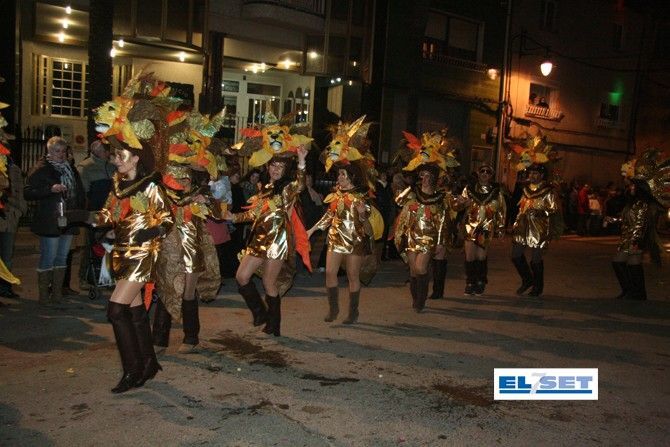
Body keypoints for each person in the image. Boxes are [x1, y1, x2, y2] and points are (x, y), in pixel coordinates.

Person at [91, 74, 176, 393]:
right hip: (122, 253)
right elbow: (108, 215)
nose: (116, 160)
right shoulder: (118, 185)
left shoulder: (151, 186)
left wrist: (147, 233)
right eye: (114, 155)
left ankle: (133, 370)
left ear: (137, 157)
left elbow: (167, 220)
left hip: (142, 254)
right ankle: (149, 362)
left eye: (121, 155)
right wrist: (85, 218)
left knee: (116, 310)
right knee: (136, 310)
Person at [228, 115, 312, 336]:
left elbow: (301, 185)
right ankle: (261, 313)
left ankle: (273, 326)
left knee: (268, 283)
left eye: (280, 166)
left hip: (277, 240)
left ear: (286, 169)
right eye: (273, 165)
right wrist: (232, 217)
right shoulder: (263, 188)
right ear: (268, 166)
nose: (276, 169)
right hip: (258, 238)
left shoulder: (288, 188)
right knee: (241, 277)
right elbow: (254, 213)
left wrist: (301, 162)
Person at [307, 116, 377, 324]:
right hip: (335, 238)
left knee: (353, 276)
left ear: (351, 177)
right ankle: (334, 309)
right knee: (330, 273)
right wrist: (312, 230)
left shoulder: (361, 195)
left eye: (343, 175)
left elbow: (366, 217)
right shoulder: (336, 195)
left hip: (355, 240)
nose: (339, 177)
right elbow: (329, 216)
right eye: (339, 175)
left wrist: (362, 213)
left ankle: (353, 311)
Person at [394, 129, 460, 312]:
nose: (424, 179)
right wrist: (408, 189)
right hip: (412, 237)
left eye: (428, 176)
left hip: (429, 239)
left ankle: (421, 300)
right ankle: (416, 298)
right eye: (422, 175)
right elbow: (398, 201)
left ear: (434, 178)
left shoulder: (440, 198)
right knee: (413, 270)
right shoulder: (413, 193)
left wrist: (440, 242)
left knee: (421, 268)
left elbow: (443, 222)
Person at [24, 136, 85, 305]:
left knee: (62, 257)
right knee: (49, 256)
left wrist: (80, 211)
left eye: (63, 151)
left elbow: (79, 191)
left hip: (68, 218)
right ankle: (44, 296)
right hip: (50, 219)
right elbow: (28, 193)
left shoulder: (70, 168)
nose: (61, 154)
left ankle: (57, 294)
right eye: (57, 151)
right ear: (49, 151)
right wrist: (50, 189)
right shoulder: (41, 168)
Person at [612, 150, 669, 300]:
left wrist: (636, 241)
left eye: (633, 186)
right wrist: (612, 220)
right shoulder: (631, 203)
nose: (630, 188)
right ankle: (629, 290)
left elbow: (641, 224)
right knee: (619, 262)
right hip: (627, 239)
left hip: (636, 240)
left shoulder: (643, 204)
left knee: (630, 263)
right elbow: (626, 220)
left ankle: (638, 293)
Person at [511, 163, 559, 297]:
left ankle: (538, 286)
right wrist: (516, 223)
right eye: (530, 173)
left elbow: (553, 209)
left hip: (539, 227)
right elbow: (521, 207)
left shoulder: (548, 190)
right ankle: (527, 280)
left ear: (542, 175)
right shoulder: (525, 189)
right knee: (515, 255)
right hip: (523, 225)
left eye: (535, 173)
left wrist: (540, 212)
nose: (532, 176)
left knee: (536, 258)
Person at [460, 164, 507, 295]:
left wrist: (501, 227)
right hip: (470, 226)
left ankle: (480, 281)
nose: (485, 174)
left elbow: (502, 210)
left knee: (481, 256)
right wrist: (461, 203)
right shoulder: (469, 189)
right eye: (482, 171)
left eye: (488, 172)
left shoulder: (496, 191)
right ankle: (470, 282)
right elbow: (458, 205)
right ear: (478, 173)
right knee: (470, 255)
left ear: (491, 175)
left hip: (486, 226)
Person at [76, 140, 115, 291]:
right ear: (99, 152)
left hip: (110, 212)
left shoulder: (111, 166)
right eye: (106, 151)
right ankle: (84, 277)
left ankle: (106, 277)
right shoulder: (86, 167)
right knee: (89, 246)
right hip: (94, 212)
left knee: (108, 245)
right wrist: (85, 213)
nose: (108, 153)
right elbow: (82, 192)